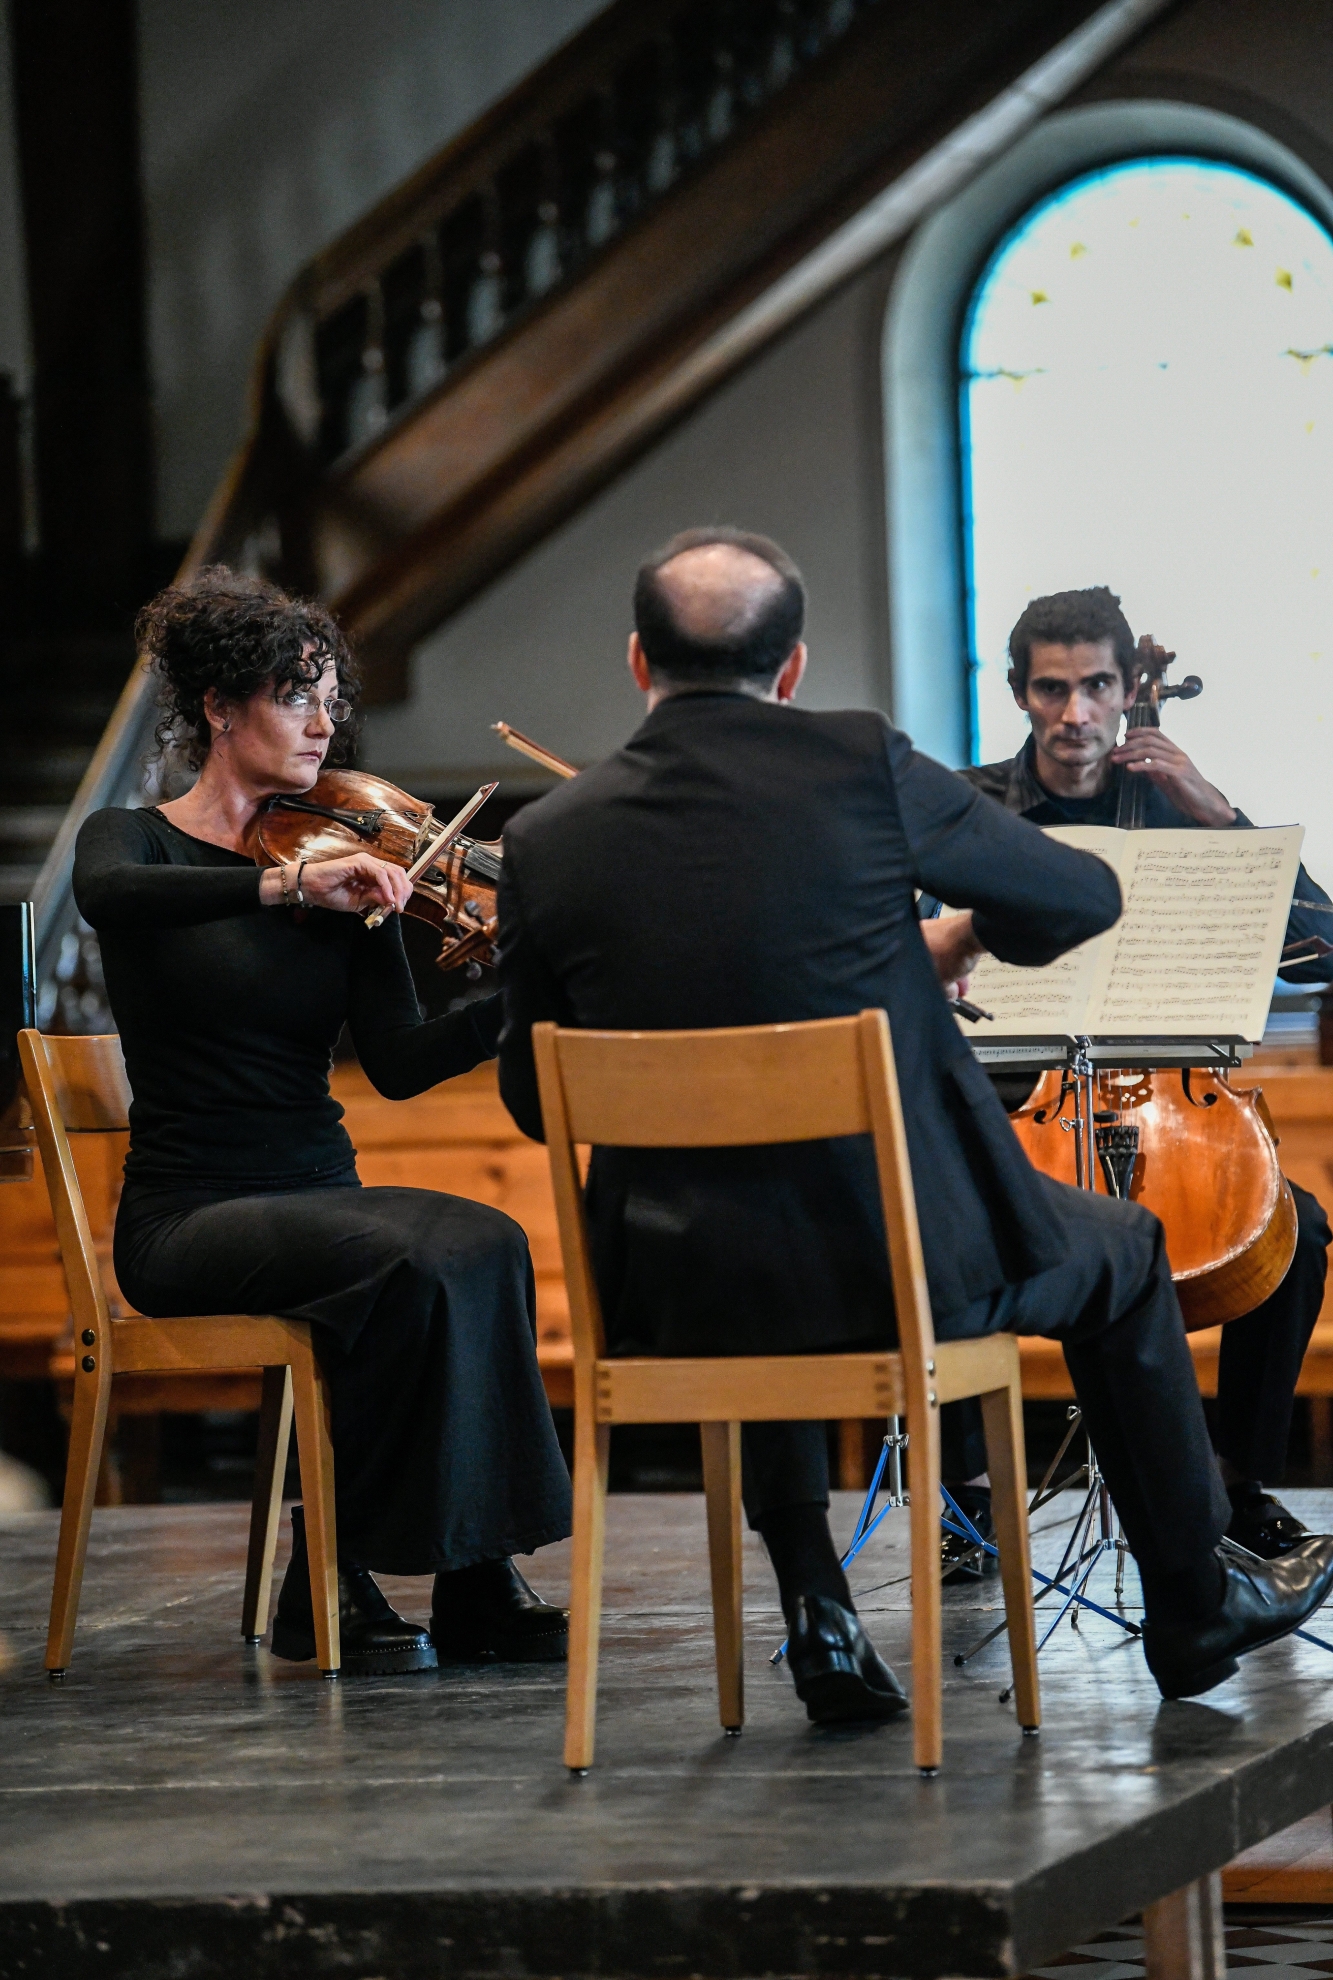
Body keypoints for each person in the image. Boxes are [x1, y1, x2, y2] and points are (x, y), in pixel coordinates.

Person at [495, 527, 1333, 1724]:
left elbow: (533, 1095)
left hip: (670, 1286)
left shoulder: (543, 838)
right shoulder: (859, 762)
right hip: (903, 1264)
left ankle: (817, 1607)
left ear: (639, 662)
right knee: (1128, 1249)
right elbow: (1078, 891)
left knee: (750, 1264)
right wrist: (953, 934)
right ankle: (1194, 1603)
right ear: (790, 669)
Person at [72, 568, 572, 1676]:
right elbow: (108, 899)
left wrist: (517, 995)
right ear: (218, 707)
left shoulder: (350, 863)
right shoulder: (138, 842)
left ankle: (471, 1577)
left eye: (332, 697)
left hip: (317, 1200)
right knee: (413, 1255)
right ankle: (326, 1573)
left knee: (482, 1239)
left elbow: (394, 1064)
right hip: (190, 1214)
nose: (324, 719)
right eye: (299, 693)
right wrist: (292, 889)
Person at [935, 586, 1331, 1576]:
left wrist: (1221, 814)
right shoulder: (967, 805)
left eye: (1097, 686)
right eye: (1053, 688)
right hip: (1018, 1101)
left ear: (1124, 690)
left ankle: (1234, 1486)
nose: (1076, 714)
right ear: (1021, 692)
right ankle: (963, 1500)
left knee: (1299, 1225)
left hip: (1169, 1099)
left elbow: (1326, 953)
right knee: (942, 1206)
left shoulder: (1177, 803)